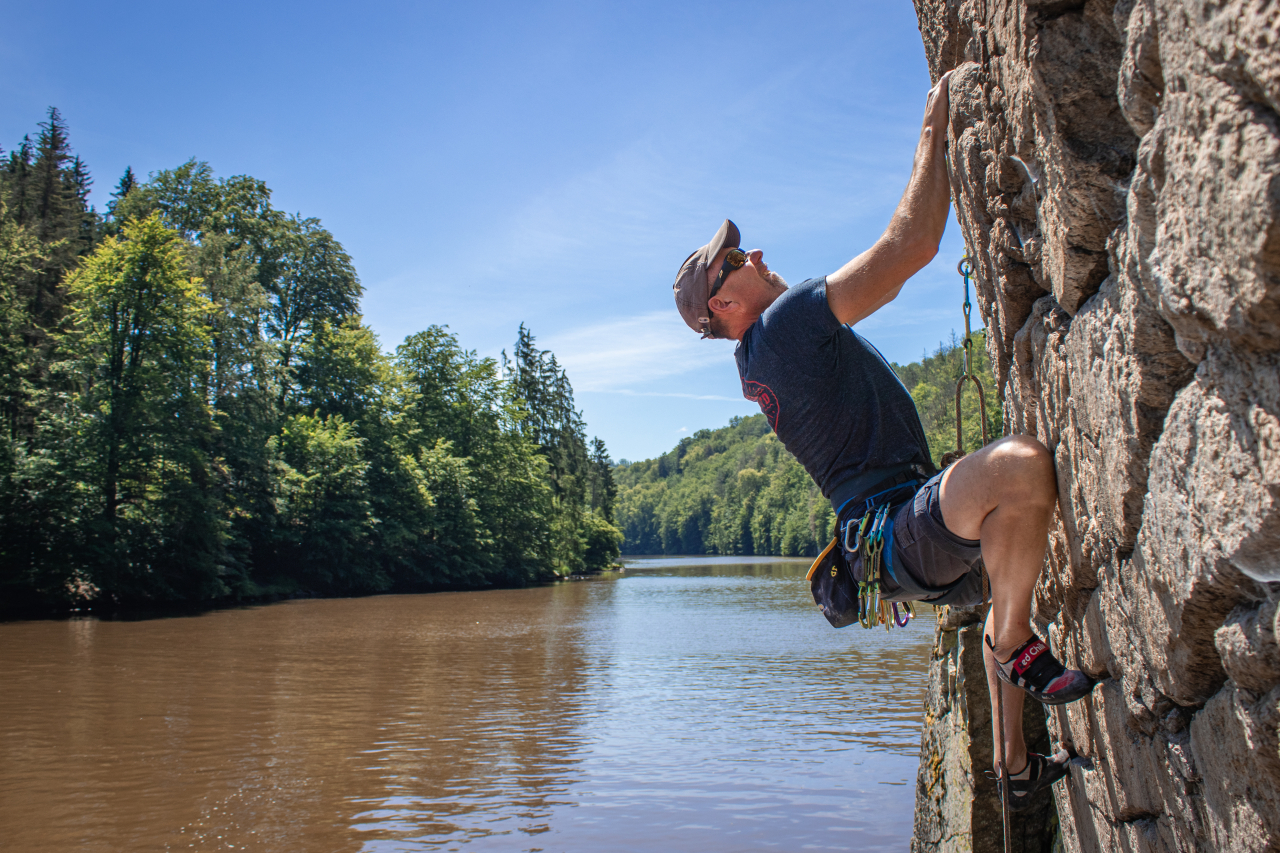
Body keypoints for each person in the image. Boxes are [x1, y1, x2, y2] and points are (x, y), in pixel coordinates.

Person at [669, 72, 1093, 810]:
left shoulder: (757, 363)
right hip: (898, 529)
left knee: (1004, 549)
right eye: (737, 261)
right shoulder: (784, 325)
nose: (757, 252)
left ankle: (1014, 765)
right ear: (725, 302)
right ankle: (1012, 646)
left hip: (889, 547)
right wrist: (935, 131)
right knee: (1020, 469)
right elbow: (909, 248)